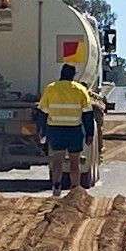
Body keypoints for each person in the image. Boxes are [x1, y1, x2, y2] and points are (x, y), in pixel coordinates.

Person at [36, 64, 95, 197]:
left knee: (57, 160)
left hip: (56, 129)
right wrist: (89, 133)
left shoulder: (51, 88)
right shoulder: (80, 90)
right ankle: (75, 189)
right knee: (75, 161)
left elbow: (43, 112)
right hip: (74, 130)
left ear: (61, 74)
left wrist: (42, 131)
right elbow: (87, 114)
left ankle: (57, 187)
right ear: (73, 75)